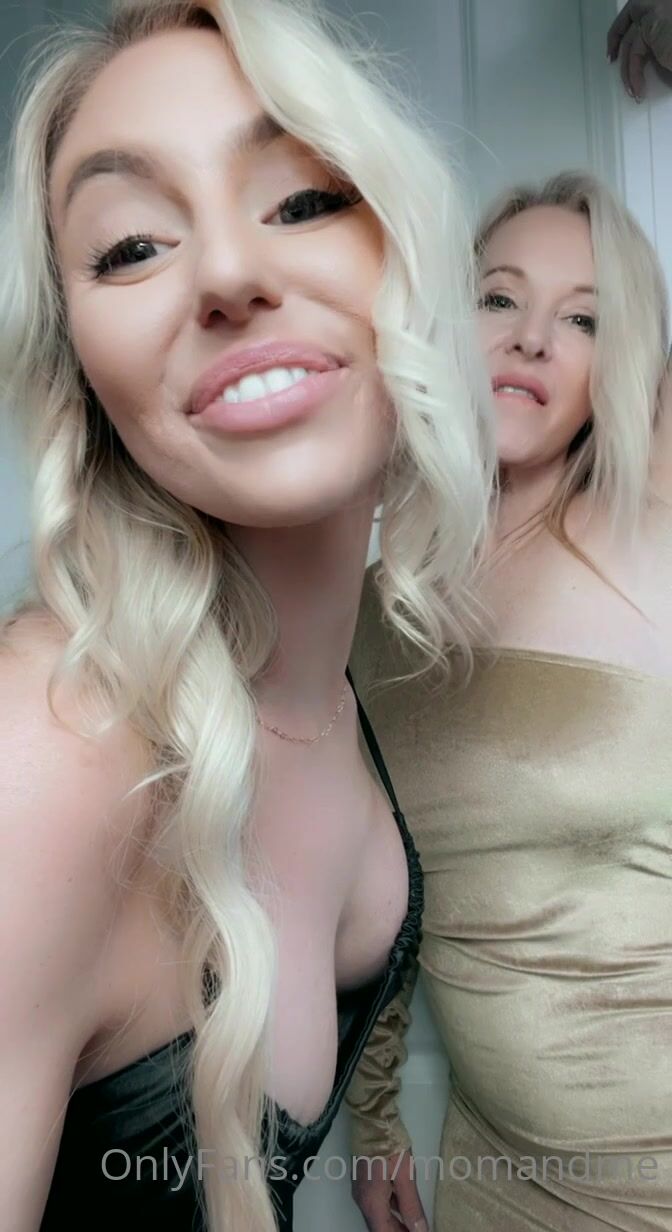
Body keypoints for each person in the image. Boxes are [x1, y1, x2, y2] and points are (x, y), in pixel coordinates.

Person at [0, 1, 493, 1229]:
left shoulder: (340, 684)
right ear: (78, 367)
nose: (227, 273)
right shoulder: (48, 756)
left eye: (304, 199)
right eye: (130, 247)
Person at [346, 170, 672, 1231]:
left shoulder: (651, 540)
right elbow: (380, 884)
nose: (531, 338)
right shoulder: (373, 603)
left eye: (584, 319)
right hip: (491, 1173)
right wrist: (374, 1113)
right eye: (499, 297)